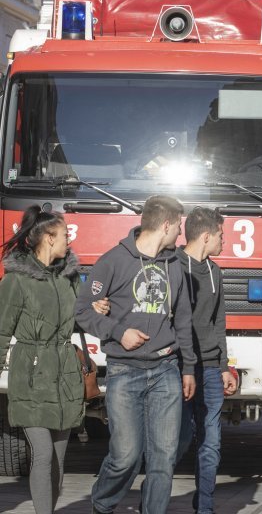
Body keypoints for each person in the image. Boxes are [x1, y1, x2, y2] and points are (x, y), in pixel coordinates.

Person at [76, 195, 197, 514]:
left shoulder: (176, 265)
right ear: (167, 224)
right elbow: (83, 311)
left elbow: (183, 318)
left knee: (163, 459)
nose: (180, 236)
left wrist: (189, 369)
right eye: (179, 226)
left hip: (166, 371)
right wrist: (118, 331)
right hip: (124, 372)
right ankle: (102, 503)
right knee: (125, 456)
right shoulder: (114, 260)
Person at [0, 206, 108, 514]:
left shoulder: (69, 279)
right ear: (48, 238)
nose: (68, 241)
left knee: (58, 463)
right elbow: (0, 332)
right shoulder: (16, 281)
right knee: (43, 454)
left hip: (65, 376)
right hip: (31, 376)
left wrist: (95, 310)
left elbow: (77, 322)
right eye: (63, 235)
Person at [175, 207, 238, 514]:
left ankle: (205, 507)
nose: (224, 241)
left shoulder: (215, 272)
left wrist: (224, 366)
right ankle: (154, 497)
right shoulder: (173, 266)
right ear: (205, 236)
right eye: (221, 236)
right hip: (177, 369)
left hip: (211, 369)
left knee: (211, 442)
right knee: (181, 438)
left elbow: (218, 322)